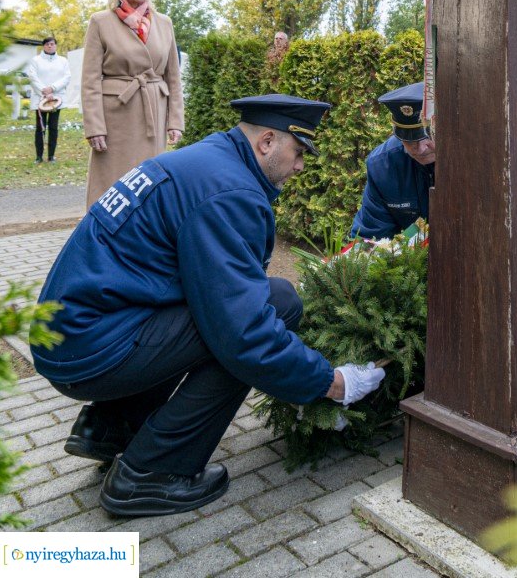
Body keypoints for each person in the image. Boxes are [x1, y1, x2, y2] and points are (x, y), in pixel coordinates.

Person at [31, 94, 385, 517]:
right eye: (298, 153)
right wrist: (330, 382)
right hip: (92, 350)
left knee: (263, 302)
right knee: (265, 314)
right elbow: (244, 334)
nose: (300, 167)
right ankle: (151, 474)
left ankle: (113, 426)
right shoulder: (228, 191)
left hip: (74, 335)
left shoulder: (207, 161)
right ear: (267, 142)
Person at [82, 0, 184, 207]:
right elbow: (90, 79)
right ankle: (102, 234)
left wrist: (175, 120)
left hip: (154, 112)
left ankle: (145, 235)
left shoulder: (164, 23)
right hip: (115, 116)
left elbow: (173, 77)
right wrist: (94, 126)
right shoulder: (101, 21)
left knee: (149, 180)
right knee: (111, 181)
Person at [351, 82, 435, 240]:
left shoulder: (472, 157)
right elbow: (371, 235)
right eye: (410, 140)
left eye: (428, 136)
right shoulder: (382, 166)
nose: (421, 148)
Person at [25, 36, 71, 163]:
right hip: (41, 98)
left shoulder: (63, 61)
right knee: (40, 127)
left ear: (55, 45)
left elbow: (67, 77)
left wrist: (52, 88)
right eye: (47, 44)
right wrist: (44, 91)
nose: (50, 46)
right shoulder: (36, 60)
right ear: (43, 46)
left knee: (53, 127)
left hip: (56, 99)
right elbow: (32, 77)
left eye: (52, 44)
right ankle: (39, 156)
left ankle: (51, 156)